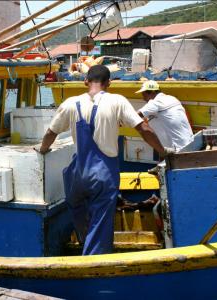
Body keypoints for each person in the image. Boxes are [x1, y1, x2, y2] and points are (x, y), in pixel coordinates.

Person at [35, 65, 167, 255]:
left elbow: (50, 133)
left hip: (77, 175)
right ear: (109, 84)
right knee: (101, 221)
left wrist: (42, 150)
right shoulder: (117, 101)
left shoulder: (71, 103)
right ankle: (93, 259)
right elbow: (144, 129)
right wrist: (161, 151)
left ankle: (83, 241)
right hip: (103, 174)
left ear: (85, 81)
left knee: (77, 206)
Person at [136, 80, 194, 151]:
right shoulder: (172, 98)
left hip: (177, 149)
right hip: (190, 143)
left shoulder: (156, 102)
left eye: (144, 95)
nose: (144, 99)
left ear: (153, 92)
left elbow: (135, 115)